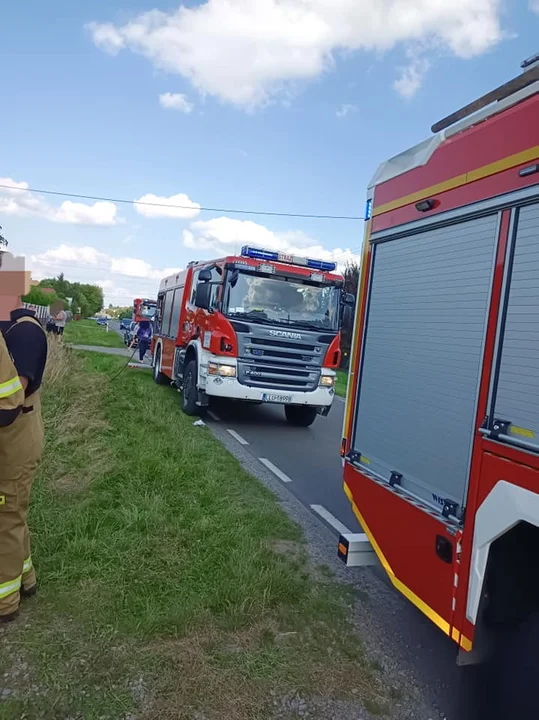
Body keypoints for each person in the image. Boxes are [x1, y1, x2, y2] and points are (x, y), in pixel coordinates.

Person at [0, 251, 48, 623]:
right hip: (11, 439)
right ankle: (26, 579)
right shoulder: (8, 327)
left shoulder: (26, 332)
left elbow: (10, 402)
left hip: (16, 442)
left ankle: (5, 604)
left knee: (6, 519)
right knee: (12, 514)